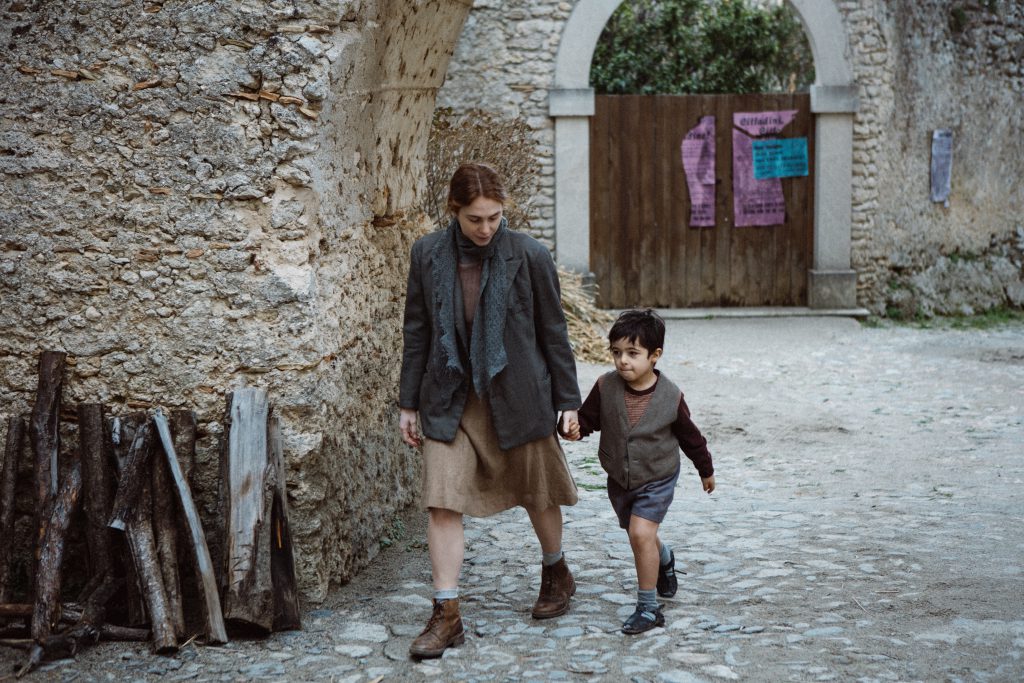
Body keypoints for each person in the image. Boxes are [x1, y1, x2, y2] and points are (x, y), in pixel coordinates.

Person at [399, 162, 582, 659]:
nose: (485, 228)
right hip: (449, 397)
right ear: (453, 211)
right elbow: (417, 331)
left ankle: (555, 570)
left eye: (494, 218)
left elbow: (553, 334)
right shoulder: (427, 255)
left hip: (519, 394)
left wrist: (568, 402)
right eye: (475, 219)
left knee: (538, 492)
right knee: (442, 500)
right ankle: (447, 613)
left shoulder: (529, 255)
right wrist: (407, 402)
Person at [562, 308, 715, 634]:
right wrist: (573, 429)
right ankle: (665, 557)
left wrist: (706, 469)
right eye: (616, 353)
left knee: (640, 534)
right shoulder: (605, 387)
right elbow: (588, 421)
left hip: (658, 476)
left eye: (633, 354)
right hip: (620, 477)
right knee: (641, 534)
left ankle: (648, 609)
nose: (623, 361)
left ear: (655, 355)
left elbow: (691, 437)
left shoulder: (671, 397)